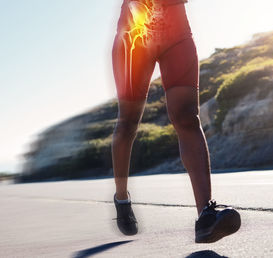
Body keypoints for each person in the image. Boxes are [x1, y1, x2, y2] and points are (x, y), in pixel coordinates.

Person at [111, 0, 241, 243]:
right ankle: (121, 198)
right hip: (134, 31)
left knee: (187, 116)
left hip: (176, 29)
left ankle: (206, 216)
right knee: (128, 123)